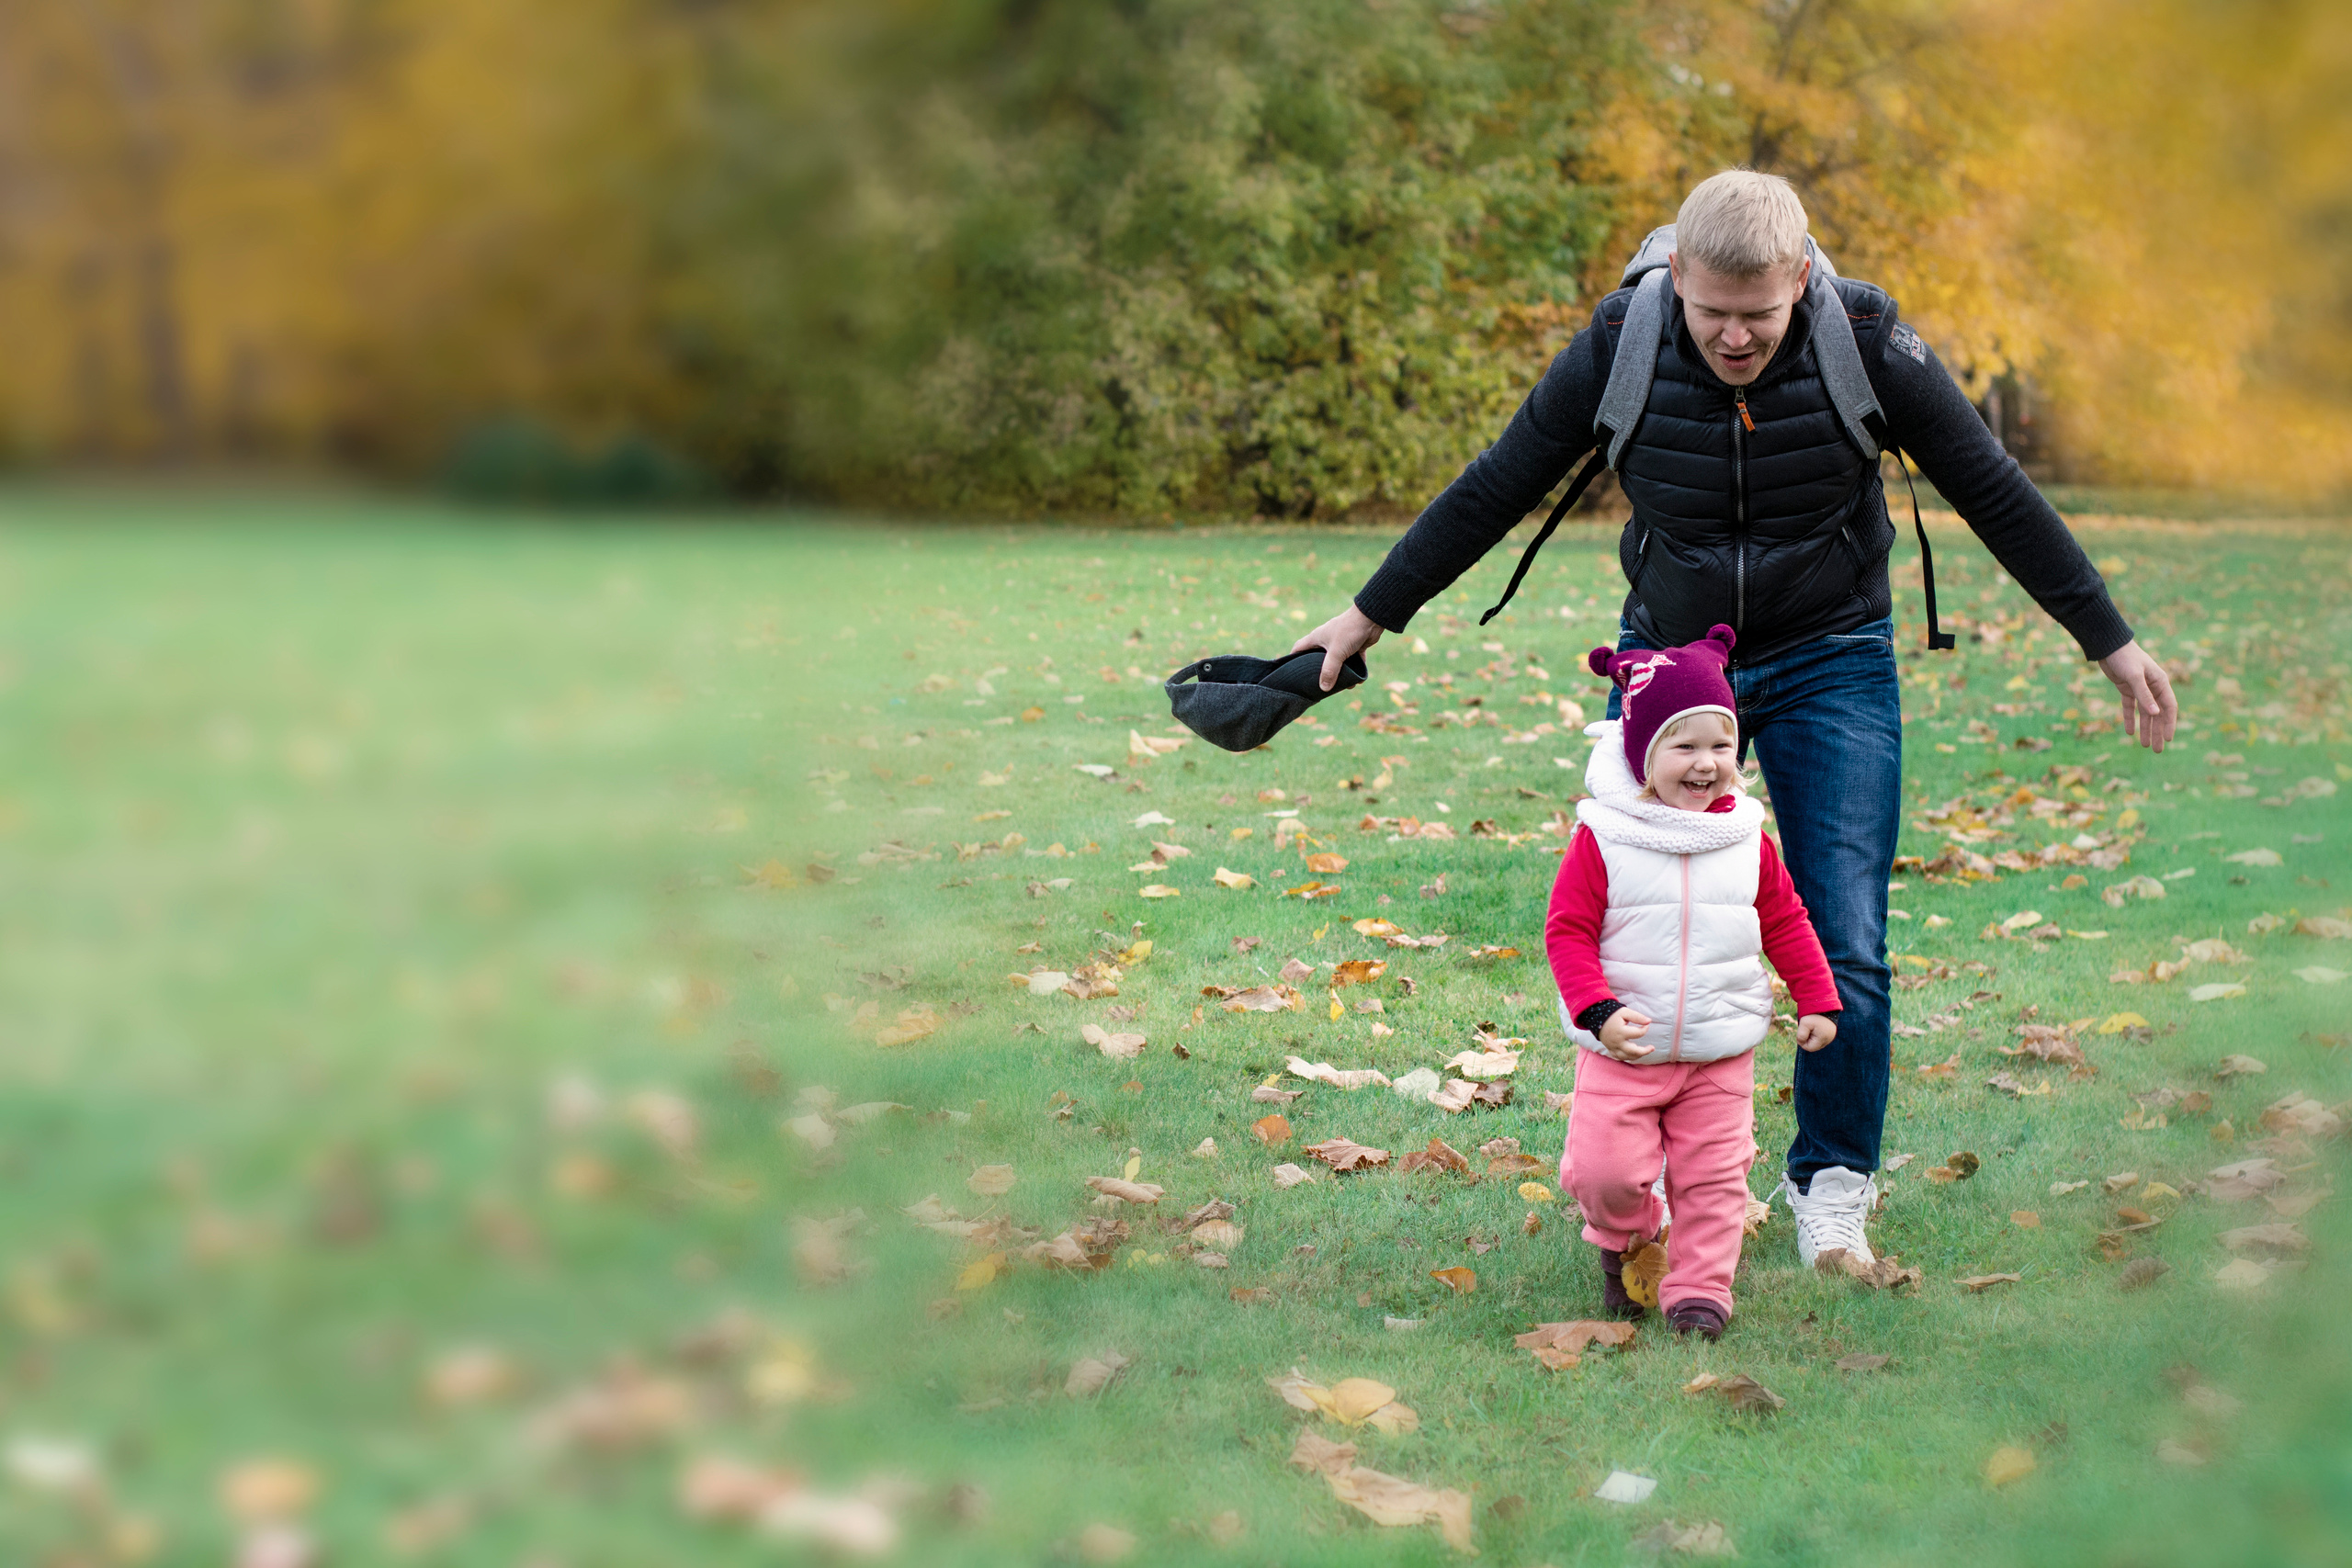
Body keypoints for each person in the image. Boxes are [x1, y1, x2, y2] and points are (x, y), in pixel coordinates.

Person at [1294, 169, 2177, 1266]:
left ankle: (1832, 1185)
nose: (1733, 337)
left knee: (1842, 935)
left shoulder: (1866, 339)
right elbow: (1496, 482)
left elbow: (1992, 486)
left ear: (1801, 279)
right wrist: (1367, 617)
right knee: (1633, 923)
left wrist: (2108, 637)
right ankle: (1651, 1174)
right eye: (1710, 312)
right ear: (1676, 277)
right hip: (1669, 672)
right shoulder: (1623, 338)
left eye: (1758, 315)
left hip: (1831, 656)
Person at [1550, 626, 1840, 1337]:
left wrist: (1817, 995)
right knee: (1604, 1173)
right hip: (1628, 1046)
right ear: (1643, 754)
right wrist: (1598, 1008)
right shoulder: (1606, 835)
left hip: (1719, 1047)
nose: (1707, 763)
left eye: (1721, 744)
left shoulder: (1745, 836)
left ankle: (1699, 1293)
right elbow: (1568, 930)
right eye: (1684, 747)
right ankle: (1629, 1238)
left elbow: (1785, 917)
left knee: (1713, 1183)